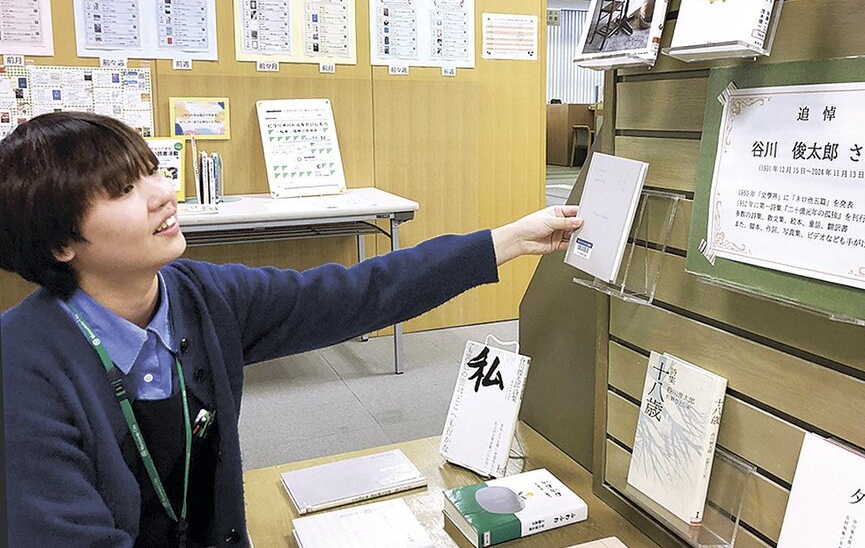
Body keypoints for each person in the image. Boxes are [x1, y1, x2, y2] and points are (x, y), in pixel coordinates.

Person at [0, 112, 582, 548]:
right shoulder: (21, 364)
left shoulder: (202, 296)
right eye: (124, 190)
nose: (162, 195)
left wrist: (509, 240)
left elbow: (359, 293)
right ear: (60, 243)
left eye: (152, 171)